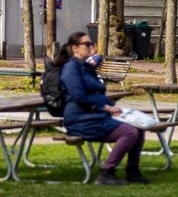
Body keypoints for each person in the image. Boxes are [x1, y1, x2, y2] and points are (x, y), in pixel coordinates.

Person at [56, 30, 147, 186]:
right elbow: (80, 97)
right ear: (75, 48)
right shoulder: (71, 69)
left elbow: (96, 91)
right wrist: (106, 107)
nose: (91, 47)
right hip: (80, 120)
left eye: (91, 43)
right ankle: (106, 173)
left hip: (95, 116)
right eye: (87, 44)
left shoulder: (86, 67)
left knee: (138, 127)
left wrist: (113, 108)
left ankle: (133, 171)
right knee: (129, 132)